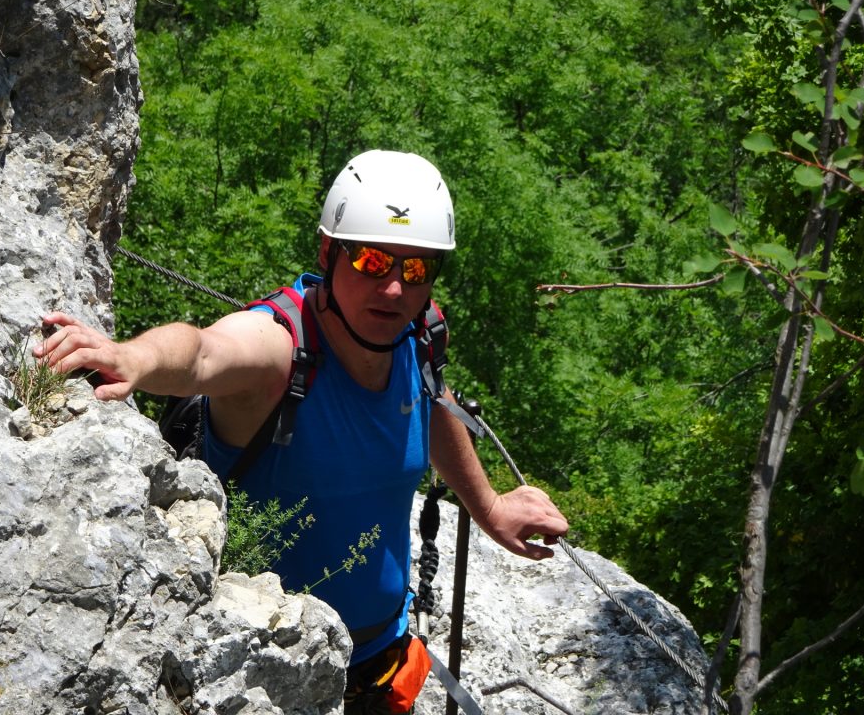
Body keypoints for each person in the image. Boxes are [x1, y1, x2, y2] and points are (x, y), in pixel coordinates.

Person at [36, 149, 569, 712]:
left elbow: (432, 402)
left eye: (414, 269)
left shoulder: (418, 338)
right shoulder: (284, 351)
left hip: (381, 661)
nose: (393, 289)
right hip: (263, 673)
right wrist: (133, 357)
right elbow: (204, 351)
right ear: (327, 252)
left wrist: (488, 507)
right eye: (371, 261)